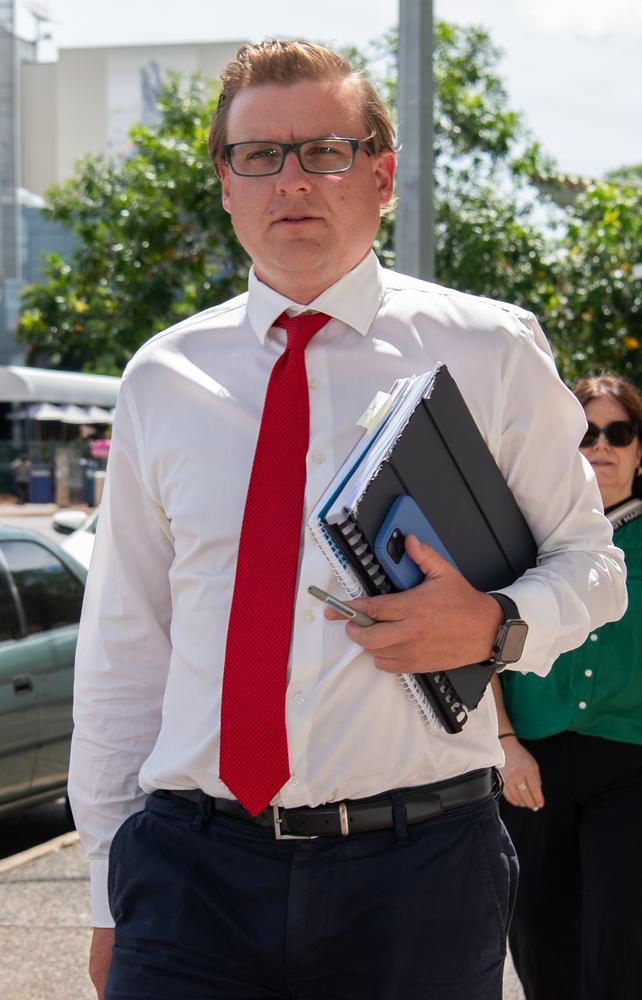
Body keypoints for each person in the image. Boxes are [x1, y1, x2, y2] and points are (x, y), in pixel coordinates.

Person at [68, 40, 627, 1000]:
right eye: (260, 156)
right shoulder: (161, 378)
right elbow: (126, 644)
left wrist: (496, 624)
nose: (292, 180)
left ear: (381, 173)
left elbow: (593, 566)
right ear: (226, 183)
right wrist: (106, 886)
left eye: (323, 151)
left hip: (418, 873)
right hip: (191, 871)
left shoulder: (489, 349)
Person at [493, 372, 642, 1000]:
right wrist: (503, 742)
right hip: (533, 763)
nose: (601, 446)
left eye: (619, 432)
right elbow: (484, 642)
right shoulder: (523, 537)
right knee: (537, 933)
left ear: (640, 449)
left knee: (622, 938)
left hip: (629, 764)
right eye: (586, 433)